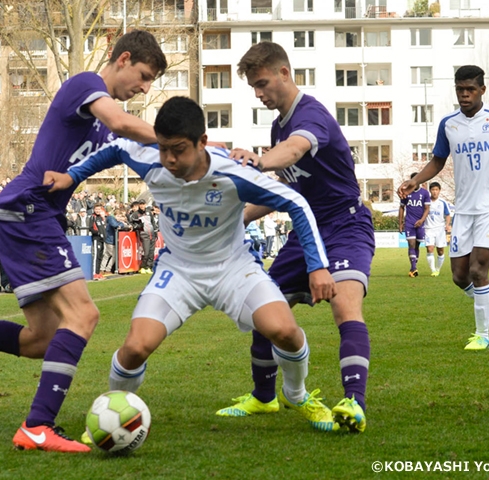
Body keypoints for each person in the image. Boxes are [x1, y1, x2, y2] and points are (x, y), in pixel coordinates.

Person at [0, 29, 167, 453]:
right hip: (29, 210)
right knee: (83, 316)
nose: (144, 87)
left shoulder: (103, 126)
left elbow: (133, 148)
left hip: (29, 215)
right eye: (143, 75)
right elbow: (122, 123)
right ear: (122, 59)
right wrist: (176, 135)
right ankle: (37, 424)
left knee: (41, 339)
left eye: (151, 81)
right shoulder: (87, 85)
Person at [44, 95, 339, 432]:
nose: (169, 158)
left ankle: (295, 393)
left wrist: (318, 266)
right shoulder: (151, 160)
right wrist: (72, 176)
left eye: (179, 149)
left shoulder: (233, 171)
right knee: (135, 348)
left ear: (202, 142)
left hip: (233, 268)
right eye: (163, 147)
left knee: (285, 331)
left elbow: (297, 203)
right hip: (179, 271)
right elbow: (115, 149)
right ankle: (113, 413)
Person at [226, 42, 375, 433]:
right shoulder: (279, 125)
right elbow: (288, 189)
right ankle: (263, 398)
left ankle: (354, 403)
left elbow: (292, 152)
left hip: (345, 227)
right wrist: (239, 218)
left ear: (284, 74)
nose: (259, 94)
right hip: (307, 230)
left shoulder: (310, 116)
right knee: (264, 309)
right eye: (254, 87)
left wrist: (259, 159)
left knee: (345, 308)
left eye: (262, 83)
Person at [398, 65, 489, 351]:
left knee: (477, 270)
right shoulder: (449, 124)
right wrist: (415, 181)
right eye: (460, 90)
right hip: (464, 209)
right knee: (459, 276)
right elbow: (438, 161)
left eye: (470, 89)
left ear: (483, 90)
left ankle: (481, 335)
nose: (464, 95)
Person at [398, 172, 430, 277]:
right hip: (409, 222)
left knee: (417, 245)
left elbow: (427, 209)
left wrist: (421, 220)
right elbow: (402, 207)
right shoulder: (406, 193)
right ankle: (413, 268)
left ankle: (413, 266)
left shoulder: (425, 193)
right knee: (411, 244)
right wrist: (400, 223)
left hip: (420, 223)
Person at [424, 182, 452, 277]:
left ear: (439, 191)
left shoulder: (443, 202)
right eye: (433, 190)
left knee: (440, 251)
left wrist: (447, 225)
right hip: (428, 229)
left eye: (436, 190)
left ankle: (438, 269)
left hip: (440, 229)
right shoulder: (426, 201)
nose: (435, 192)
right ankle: (433, 270)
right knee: (430, 248)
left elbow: (448, 215)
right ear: (430, 191)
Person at [101, 208, 127, 274]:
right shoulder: (110, 218)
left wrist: (121, 225)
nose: (119, 218)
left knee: (106, 255)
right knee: (114, 255)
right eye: (118, 216)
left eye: (120, 216)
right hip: (110, 240)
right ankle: (107, 269)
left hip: (111, 240)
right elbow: (115, 225)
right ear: (114, 215)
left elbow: (122, 224)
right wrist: (120, 225)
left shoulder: (116, 221)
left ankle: (102, 268)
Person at [89, 204, 106, 280]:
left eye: (99, 209)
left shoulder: (101, 218)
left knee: (100, 256)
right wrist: (98, 233)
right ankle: (94, 273)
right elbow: (91, 228)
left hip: (102, 239)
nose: (98, 211)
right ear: (94, 209)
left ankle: (98, 273)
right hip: (96, 239)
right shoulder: (93, 217)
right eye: (96, 209)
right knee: (96, 256)